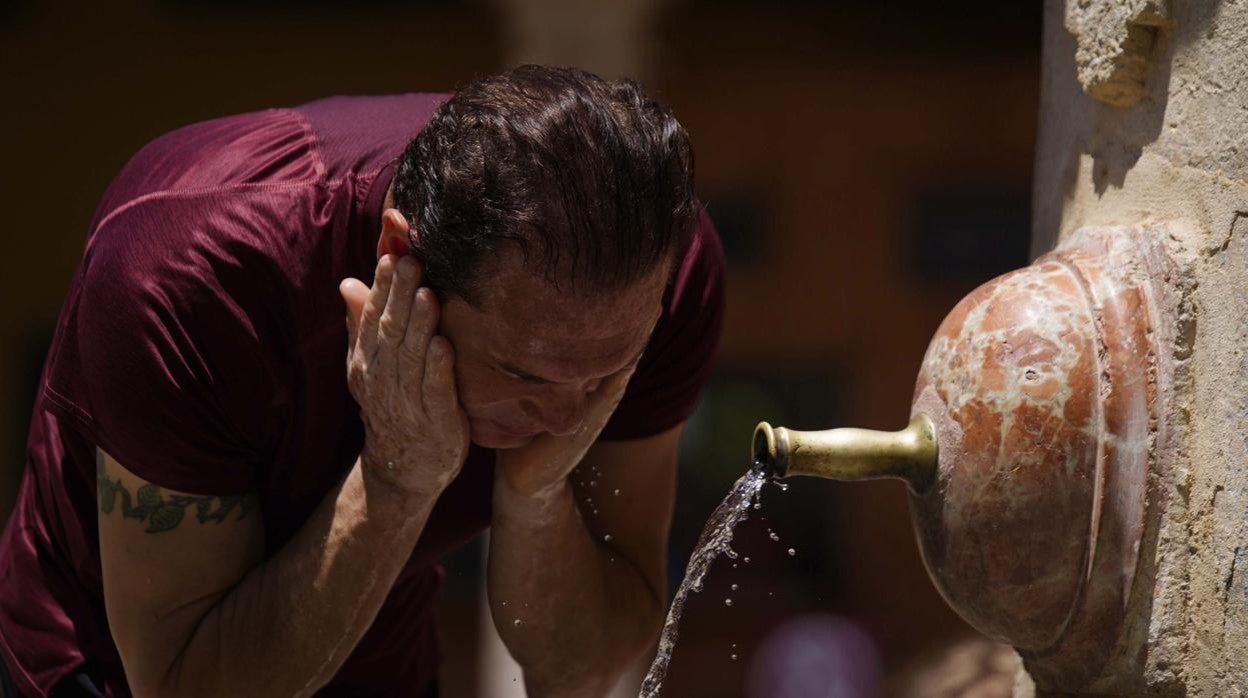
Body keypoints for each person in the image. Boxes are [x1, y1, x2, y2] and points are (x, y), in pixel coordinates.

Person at [0, 65, 724, 697]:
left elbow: (580, 678)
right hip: (98, 663)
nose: (569, 417)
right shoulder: (188, 279)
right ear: (399, 257)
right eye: (520, 370)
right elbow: (185, 682)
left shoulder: (661, 280)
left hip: (376, 653)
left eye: (602, 373)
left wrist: (537, 497)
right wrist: (397, 479)